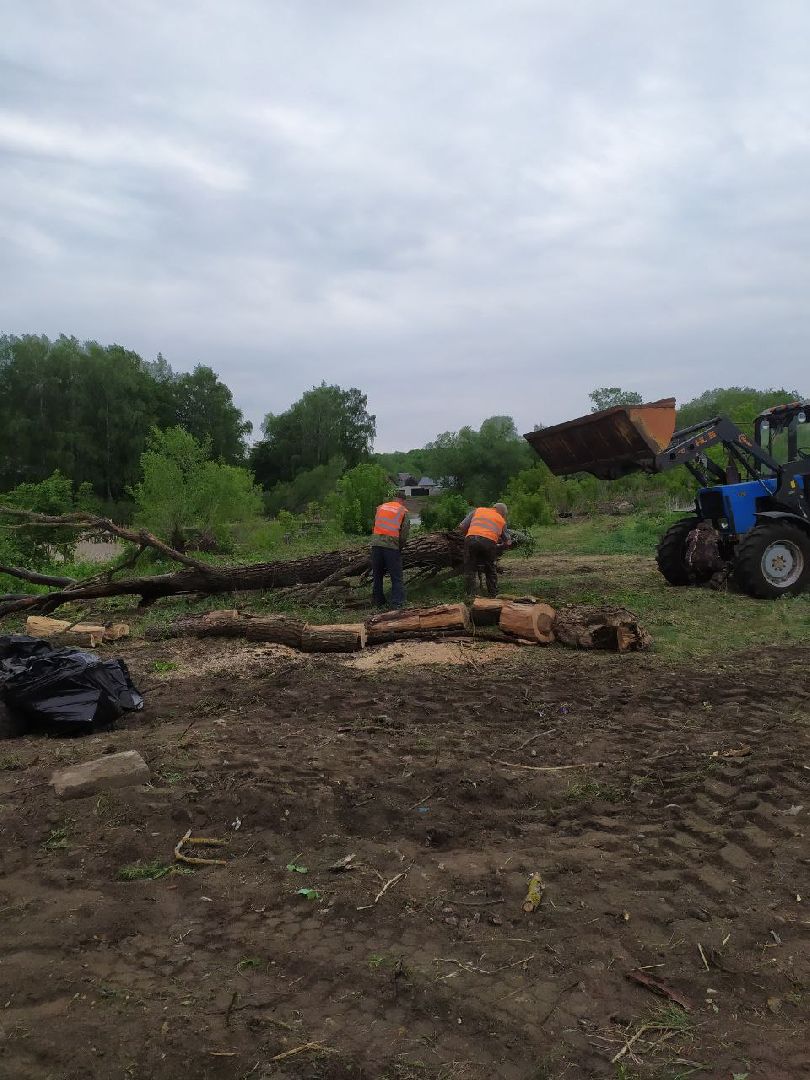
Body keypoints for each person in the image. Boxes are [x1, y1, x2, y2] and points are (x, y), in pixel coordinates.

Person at [458, 502, 510, 598]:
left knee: (469, 568)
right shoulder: (501, 520)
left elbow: (461, 527)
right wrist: (500, 546)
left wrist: (469, 535)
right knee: (490, 569)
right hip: (489, 543)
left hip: (471, 540)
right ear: (501, 512)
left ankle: (470, 595)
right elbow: (508, 542)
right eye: (504, 515)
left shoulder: (478, 510)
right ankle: (493, 594)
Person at [370, 495, 410, 608]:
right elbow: (404, 534)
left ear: (394, 499)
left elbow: (374, 526)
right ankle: (398, 603)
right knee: (396, 576)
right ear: (402, 501)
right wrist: (399, 547)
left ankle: (378, 601)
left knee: (377, 574)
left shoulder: (381, 508)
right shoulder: (403, 511)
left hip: (376, 544)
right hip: (391, 546)